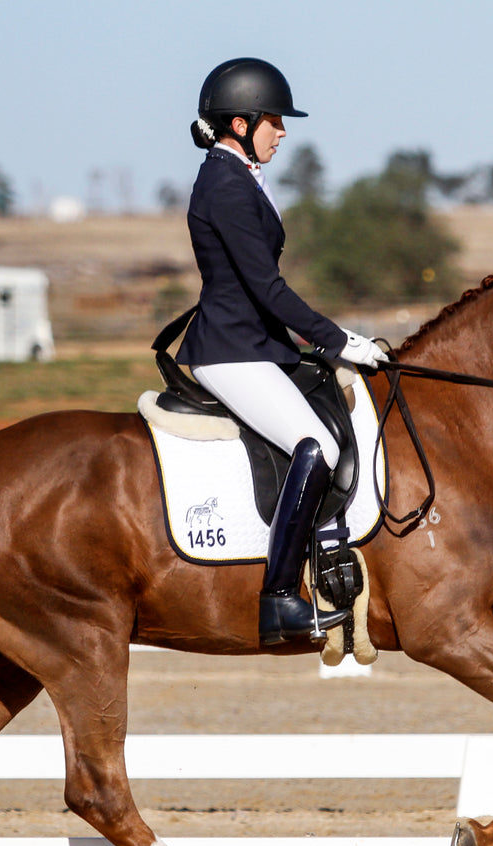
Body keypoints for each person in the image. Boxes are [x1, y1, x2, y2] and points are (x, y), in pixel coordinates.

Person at [179, 57, 388, 645]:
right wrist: (339, 339)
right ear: (241, 122)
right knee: (316, 447)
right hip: (231, 351)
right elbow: (265, 288)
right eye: (274, 118)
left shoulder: (238, 175)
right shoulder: (224, 183)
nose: (283, 130)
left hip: (254, 344)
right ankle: (278, 599)